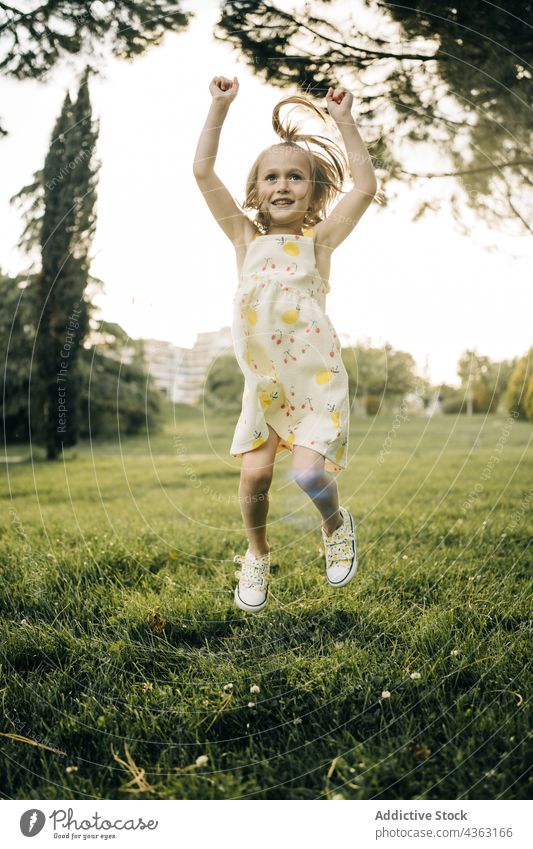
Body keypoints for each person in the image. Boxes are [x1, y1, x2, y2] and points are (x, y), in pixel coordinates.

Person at [193, 76, 377, 612]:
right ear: (255, 191)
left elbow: (364, 188)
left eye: (295, 177)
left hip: (316, 383)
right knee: (255, 474)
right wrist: (219, 107)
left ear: (314, 192)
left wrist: (344, 121)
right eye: (271, 177)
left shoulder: (318, 243)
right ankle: (256, 554)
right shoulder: (243, 239)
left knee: (308, 473)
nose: (282, 185)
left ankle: (334, 524)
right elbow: (203, 172)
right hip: (266, 386)